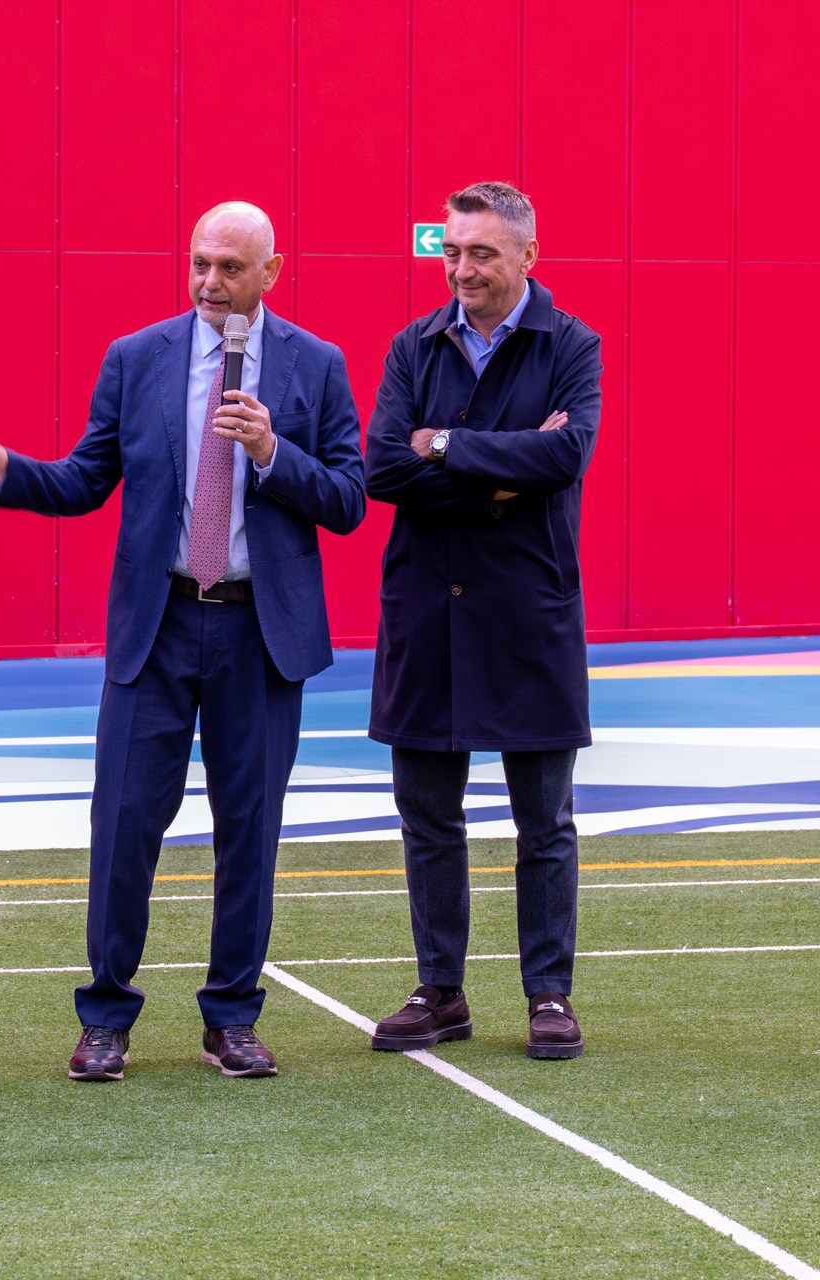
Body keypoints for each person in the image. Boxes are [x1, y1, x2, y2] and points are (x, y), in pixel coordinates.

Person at [0, 202, 365, 1082]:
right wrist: (7, 474)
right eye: (200, 263)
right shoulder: (137, 358)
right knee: (124, 823)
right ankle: (105, 1018)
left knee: (250, 831)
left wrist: (274, 453)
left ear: (271, 273)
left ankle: (232, 1018)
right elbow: (87, 479)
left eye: (230, 268)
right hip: (157, 627)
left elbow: (350, 499)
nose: (210, 282)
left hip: (260, 631)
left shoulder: (316, 365)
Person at [364, 181, 601, 1060]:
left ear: (528, 256)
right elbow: (382, 468)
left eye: (482, 254)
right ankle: (441, 992)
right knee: (428, 817)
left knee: (545, 825)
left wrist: (444, 444)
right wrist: (499, 480)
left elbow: (565, 454)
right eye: (452, 251)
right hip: (426, 614)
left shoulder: (572, 344)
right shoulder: (413, 345)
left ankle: (549, 995)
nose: (461, 269)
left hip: (528, 616)